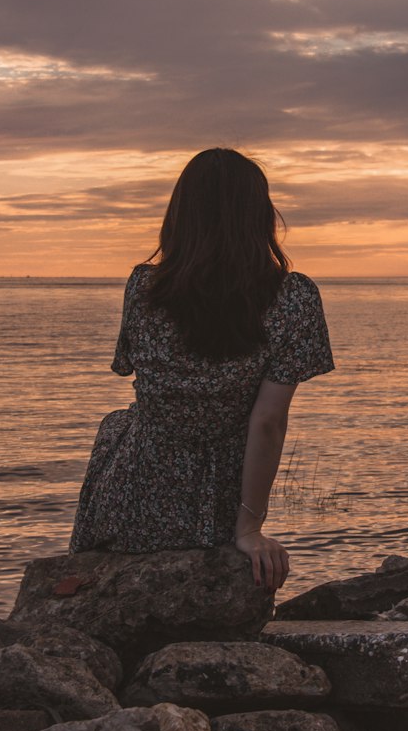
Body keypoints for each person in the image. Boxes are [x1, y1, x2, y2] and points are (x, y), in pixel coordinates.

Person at [69, 148, 334, 590]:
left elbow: (139, 375)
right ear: (258, 215)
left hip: (134, 496)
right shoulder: (294, 297)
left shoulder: (143, 286)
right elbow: (266, 423)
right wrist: (248, 529)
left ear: (180, 216)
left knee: (119, 424)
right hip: (221, 502)